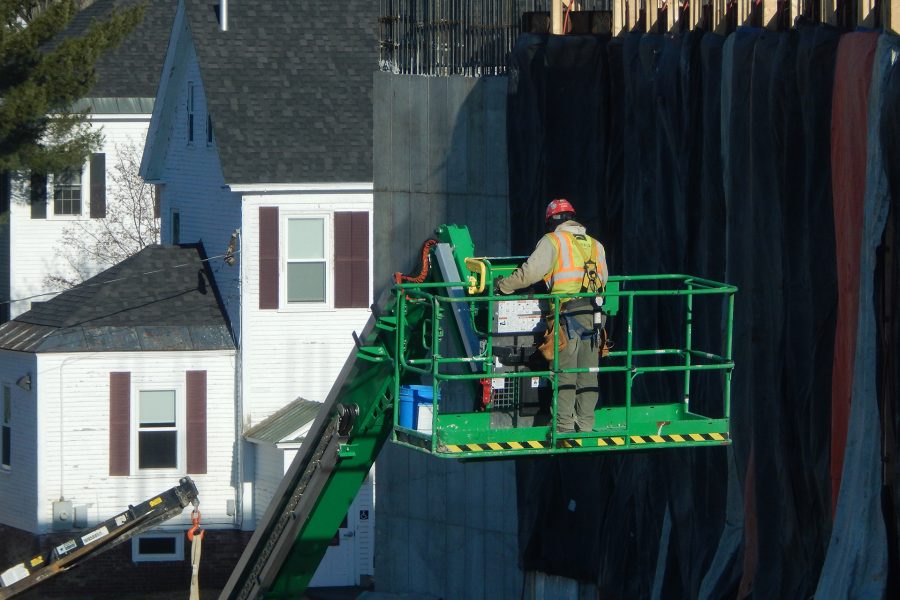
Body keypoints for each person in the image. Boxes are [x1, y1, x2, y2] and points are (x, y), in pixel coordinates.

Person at [495, 199, 608, 432]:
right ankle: (586, 425)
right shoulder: (596, 245)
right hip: (596, 315)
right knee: (588, 373)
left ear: (551, 222)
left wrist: (504, 286)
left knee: (564, 372)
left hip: (569, 314)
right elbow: (603, 279)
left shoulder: (553, 240)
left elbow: (529, 273)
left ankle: (564, 427)